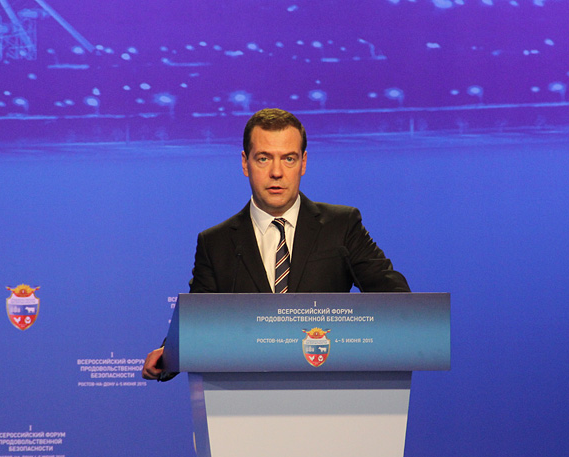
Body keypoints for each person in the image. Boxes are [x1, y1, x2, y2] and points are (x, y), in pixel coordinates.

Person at [142, 108, 409, 380]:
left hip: (327, 390)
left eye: (289, 158)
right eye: (263, 159)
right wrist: (168, 354)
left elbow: (395, 299)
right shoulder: (216, 243)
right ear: (245, 163)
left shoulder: (341, 226)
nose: (277, 172)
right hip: (246, 397)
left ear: (303, 163)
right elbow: (198, 321)